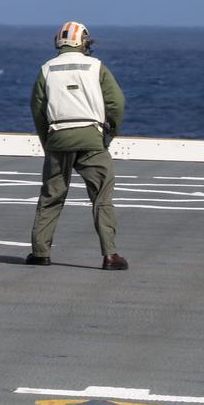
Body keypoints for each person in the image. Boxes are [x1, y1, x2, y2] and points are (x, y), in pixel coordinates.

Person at [28, 20, 128, 270]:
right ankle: (110, 255)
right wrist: (107, 136)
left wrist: (47, 142)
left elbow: (38, 110)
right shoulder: (96, 67)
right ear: (83, 42)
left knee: (51, 196)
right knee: (102, 196)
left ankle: (41, 252)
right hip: (92, 138)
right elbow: (116, 103)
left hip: (58, 138)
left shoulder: (46, 69)